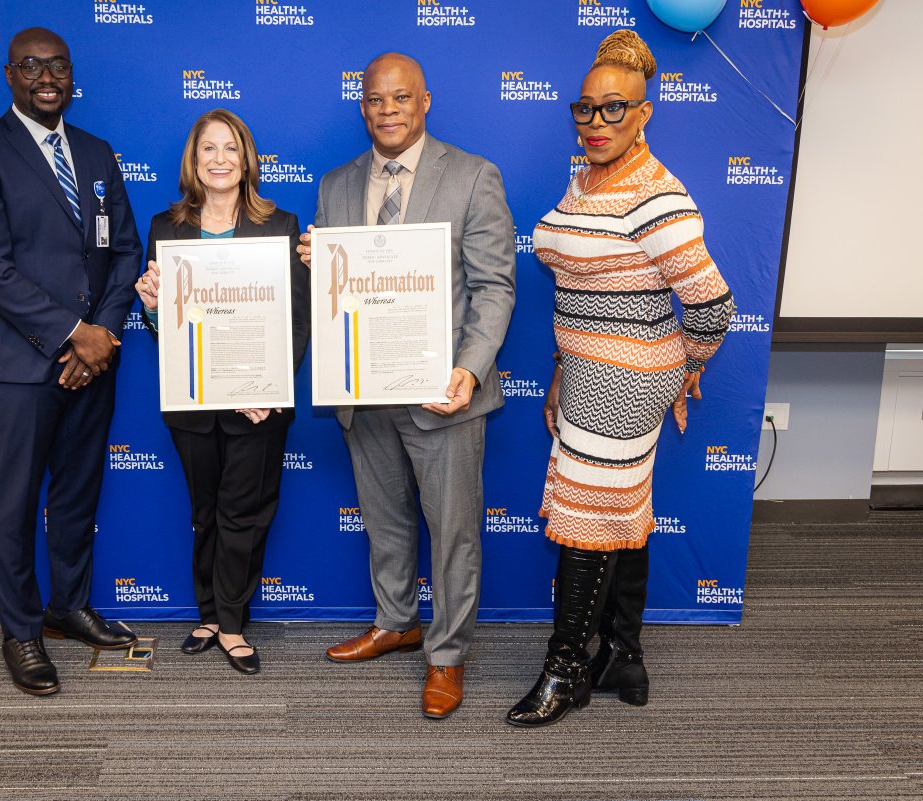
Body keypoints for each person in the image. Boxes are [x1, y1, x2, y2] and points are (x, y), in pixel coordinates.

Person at [507, 30, 734, 728]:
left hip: (626, 382)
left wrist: (687, 367)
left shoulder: (658, 198)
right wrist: (560, 369)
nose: (596, 122)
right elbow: (578, 289)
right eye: (585, 108)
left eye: (614, 109)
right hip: (584, 370)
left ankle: (565, 668)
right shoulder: (586, 178)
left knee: (584, 524)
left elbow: (713, 304)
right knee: (619, 517)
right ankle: (625, 653)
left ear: (644, 113)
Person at [297, 53, 516, 718]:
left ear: (426, 101)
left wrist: (469, 368)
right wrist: (317, 266)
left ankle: (446, 657)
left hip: (442, 395)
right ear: (361, 106)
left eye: (400, 98)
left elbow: (495, 286)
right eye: (375, 99)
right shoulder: (336, 185)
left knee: (451, 534)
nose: (387, 110)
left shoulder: (473, 176)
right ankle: (396, 621)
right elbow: (342, 295)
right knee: (387, 523)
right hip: (364, 394)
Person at [0, 27, 143, 696]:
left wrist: (101, 338)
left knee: (77, 492)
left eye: (57, 65)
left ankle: (69, 605)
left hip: (92, 363)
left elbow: (125, 253)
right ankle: (22, 629)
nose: (46, 76)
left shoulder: (94, 153)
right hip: (17, 364)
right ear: (10, 75)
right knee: (16, 501)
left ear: (71, 73)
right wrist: (71, 335)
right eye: (31, 66)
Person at [134, 109, 309, 675]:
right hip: (192, 401)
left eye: (230, 148)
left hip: (259, 402)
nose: (219, 160)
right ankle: (207, 612)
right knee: (205, 513)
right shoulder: (167, 227)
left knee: (243, 513)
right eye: (208, 149)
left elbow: (297, 318)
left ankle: (232, 623)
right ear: (194, 159)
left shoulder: (280, 224)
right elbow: (163, 329)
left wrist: (271, 385)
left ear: (246, 158)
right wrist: (151, 307)